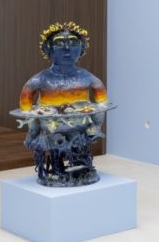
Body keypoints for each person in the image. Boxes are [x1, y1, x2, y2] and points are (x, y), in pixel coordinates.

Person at [16, 22, 110, 187]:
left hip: (80, 128)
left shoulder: (86, 77)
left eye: (73, 43)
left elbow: (102, 101)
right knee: (55, 153)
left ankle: (82, 169)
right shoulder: (42, 79)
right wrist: (33, 130)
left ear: (82, 49)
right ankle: (56, 170)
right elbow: (26, 102)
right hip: (52, 130)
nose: (67, 49)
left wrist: (96, 125)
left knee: (80, 151)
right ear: (48, 49)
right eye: (60, 44)